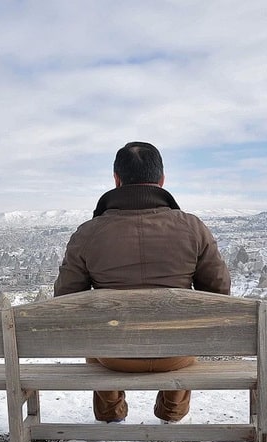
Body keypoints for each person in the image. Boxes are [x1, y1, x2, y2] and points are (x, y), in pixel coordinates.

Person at [54, 141, 231, 424]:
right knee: (186, 330)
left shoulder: (88, 233)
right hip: (176, 354)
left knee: (93, 335)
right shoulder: (192, 228)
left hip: (111, 356)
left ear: (116, 180)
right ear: (161, 181)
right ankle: (171, 415)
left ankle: (112, 415)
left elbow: (66, 300)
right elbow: (218, 293)